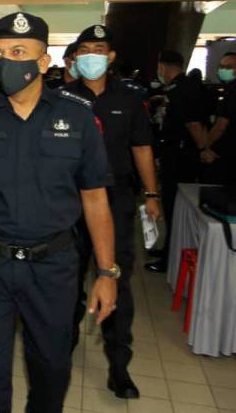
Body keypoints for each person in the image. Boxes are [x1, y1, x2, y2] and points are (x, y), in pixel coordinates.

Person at [0, 13, 118, 413]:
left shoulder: (78, 116)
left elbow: (96, 199)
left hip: (54, 264)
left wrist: (106, 273)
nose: (7, 61)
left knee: (52, 367)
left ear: (44, 62)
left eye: (19, 52)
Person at [64, 25, 161, 399]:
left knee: (115, 279)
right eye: (85, 49)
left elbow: (141, 148)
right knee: (66, 282)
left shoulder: (130, 98)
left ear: (111, 56)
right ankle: (63, 347)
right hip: (70, 203)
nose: (91, 55)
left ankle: (119, 367)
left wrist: (151, 194)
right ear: (75, 56)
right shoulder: (62, 98)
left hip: (116, 200)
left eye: (99, 48)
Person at [145, 50, 206, 272]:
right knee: (171, 207)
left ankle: (170, 258)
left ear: (164, 67)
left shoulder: (182, 88)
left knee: (173, 208)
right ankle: (168, 249)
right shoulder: (176, 88)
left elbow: (193, 124)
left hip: (180, 156)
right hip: (174, 153)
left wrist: (203, 149)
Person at [201, 52, 236, 185]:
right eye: (222, 66)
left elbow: (221, 125)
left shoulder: (232, 91)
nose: (223, 70)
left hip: (228, 152)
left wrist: (206, 146)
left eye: (229, 67)